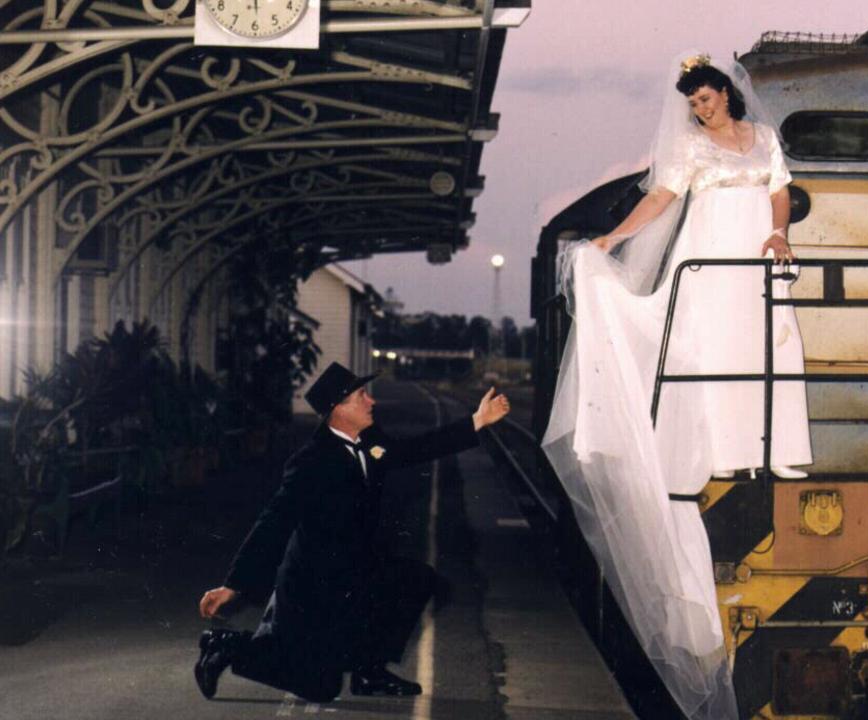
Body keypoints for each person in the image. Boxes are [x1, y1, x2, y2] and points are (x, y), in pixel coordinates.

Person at [542, 52, 813, 720]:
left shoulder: (765, 142)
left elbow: (779, 187)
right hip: (710, 253)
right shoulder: (689, 148)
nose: (699, 106)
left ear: (726, 93)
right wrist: (610, 239)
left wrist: (778, 232)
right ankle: (712, 429)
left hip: (755, 250)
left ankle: (759, 433)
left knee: (764, 337)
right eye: (691, 100)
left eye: (705, 96)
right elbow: (663, 199)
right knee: (706, 337)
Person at [193, 362, 510, 703]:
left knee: (418, 579)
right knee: (320, 688)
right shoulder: (311, 462)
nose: (371, 401)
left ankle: (368, 672)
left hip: (358, 571)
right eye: (361, 395)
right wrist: (233, 584)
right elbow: (273, 522)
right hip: (313, 588)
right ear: (338, 408)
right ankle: (226, 647)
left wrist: (476, 421)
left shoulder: (369, 440)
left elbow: (412, 451)